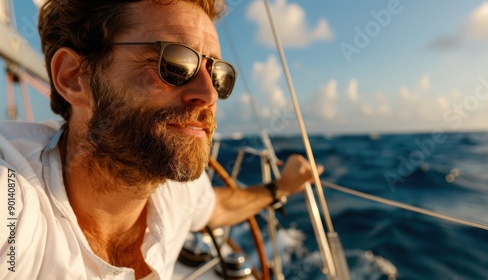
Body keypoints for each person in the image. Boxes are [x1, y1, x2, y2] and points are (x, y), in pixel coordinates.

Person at [0, 0, 323, 279]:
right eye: (175, 63)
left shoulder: (174, 191)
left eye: (217, 74)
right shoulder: (14, 203)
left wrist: (279, 188)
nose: (209, 94)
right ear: (74, 78)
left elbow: (216, 208)